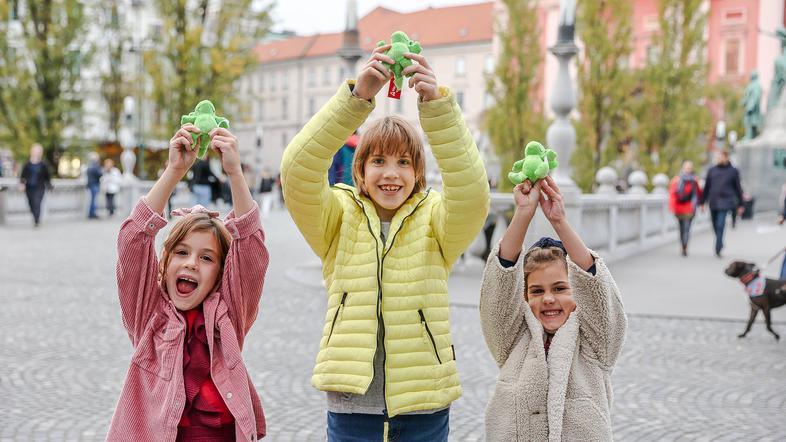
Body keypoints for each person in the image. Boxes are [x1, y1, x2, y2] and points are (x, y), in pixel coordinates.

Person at [280, 45, 489, 441]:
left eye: (403, 162)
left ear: (418, 172)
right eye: (378, 161)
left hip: (423, 403)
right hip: (352, 403)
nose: (391, 174)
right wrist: (356, 99)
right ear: (359, 170)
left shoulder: (436, 220)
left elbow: (473, 194)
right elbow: (297, 169)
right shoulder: (336, 217)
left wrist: (437, 108)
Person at [107, 123, 269, 440]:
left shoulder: (229, 315)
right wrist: (174, 171)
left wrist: (235, 173)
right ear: (165, 262)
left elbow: (251, 252)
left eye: (207, 258)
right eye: (182, 252)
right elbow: (132, 240)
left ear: (221, 274)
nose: (192, 263)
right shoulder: (148, 314)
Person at [479, 177, 626, 441]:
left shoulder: (596, 342)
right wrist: (523, 213)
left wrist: (559, 221)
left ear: (579, 291)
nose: (548, 298)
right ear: (524, 297)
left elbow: (597, 290)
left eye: (559, 288)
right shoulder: (511, 338)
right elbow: (499, 290)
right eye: (537, 291)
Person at [700, 150, 744, 258]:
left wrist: (741, 204)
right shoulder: (711, 170)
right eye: (717, 157)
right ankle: (720, 241)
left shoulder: (733, 171)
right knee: (714, 225)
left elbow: (738, 188)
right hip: (713, 201)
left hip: (726, 201)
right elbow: (707, 187)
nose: (719, 159)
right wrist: (702, 202)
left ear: (726, 157)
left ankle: (718, 247)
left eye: (721, 157)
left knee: (720, 224)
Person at [668, 161, 703, 256]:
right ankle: (683, 244)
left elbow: (698, 194)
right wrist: (672, 207)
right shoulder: (676, 180)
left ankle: (685, 246)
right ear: (683, 168)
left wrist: (701, 205)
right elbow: (672, 194)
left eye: (690, 168)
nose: (688, 170)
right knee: (681, 228)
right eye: (686, 168)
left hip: (690, 208)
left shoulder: (695, 180)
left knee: (687, 228)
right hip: (679, 208)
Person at [18, 143, 51, 227]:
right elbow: (23, 176)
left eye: (38, 151)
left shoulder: (43, 164)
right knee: (31, 203)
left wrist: (49, 186)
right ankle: (35, 217)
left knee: (37, 202)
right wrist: (22, 184)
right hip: (29, 187)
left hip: (40, 187)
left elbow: (47, 177)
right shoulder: (27, 164)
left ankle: (37, 220)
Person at [86, 152, 103, 219]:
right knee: (94, 200)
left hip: (90, 184)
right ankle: (92, 213)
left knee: (92, 199)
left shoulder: (89, 166)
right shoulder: (95, 166)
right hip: (95, 184)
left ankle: (91, 213)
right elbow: (100, 174)